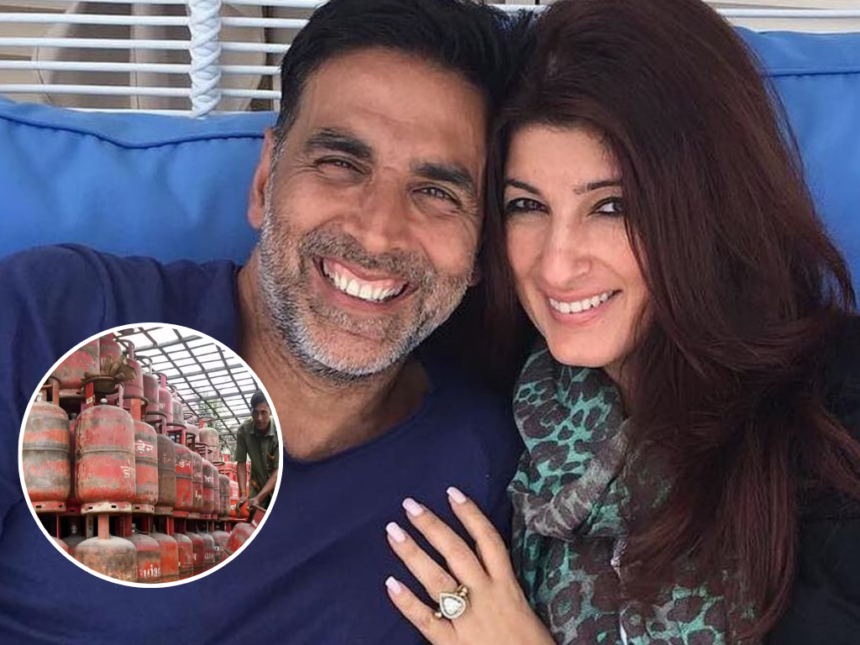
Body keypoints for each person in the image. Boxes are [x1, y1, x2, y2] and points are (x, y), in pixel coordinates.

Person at [0, 1, 532, 643]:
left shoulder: (492, 463)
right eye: (341, 164)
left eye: (437, 192)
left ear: (482, 250)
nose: (378, 231)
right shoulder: (52, 316)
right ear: (263, 181)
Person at [384, 1, 860, 644]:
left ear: (709, 207)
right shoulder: (492, 388)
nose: (557, 265)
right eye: (527, 206)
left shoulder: (835, 411)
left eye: (611, 207)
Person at [235, 390, 279, 510]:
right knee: (255, 518)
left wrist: (259, 498)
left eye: (263, 412)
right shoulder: (243, 431)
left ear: (271, 411)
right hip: (258, 486)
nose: (259, 418)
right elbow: (241, 463)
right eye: (255, 412)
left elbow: (278, 472)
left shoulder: (279, 432)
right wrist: (243, 494)